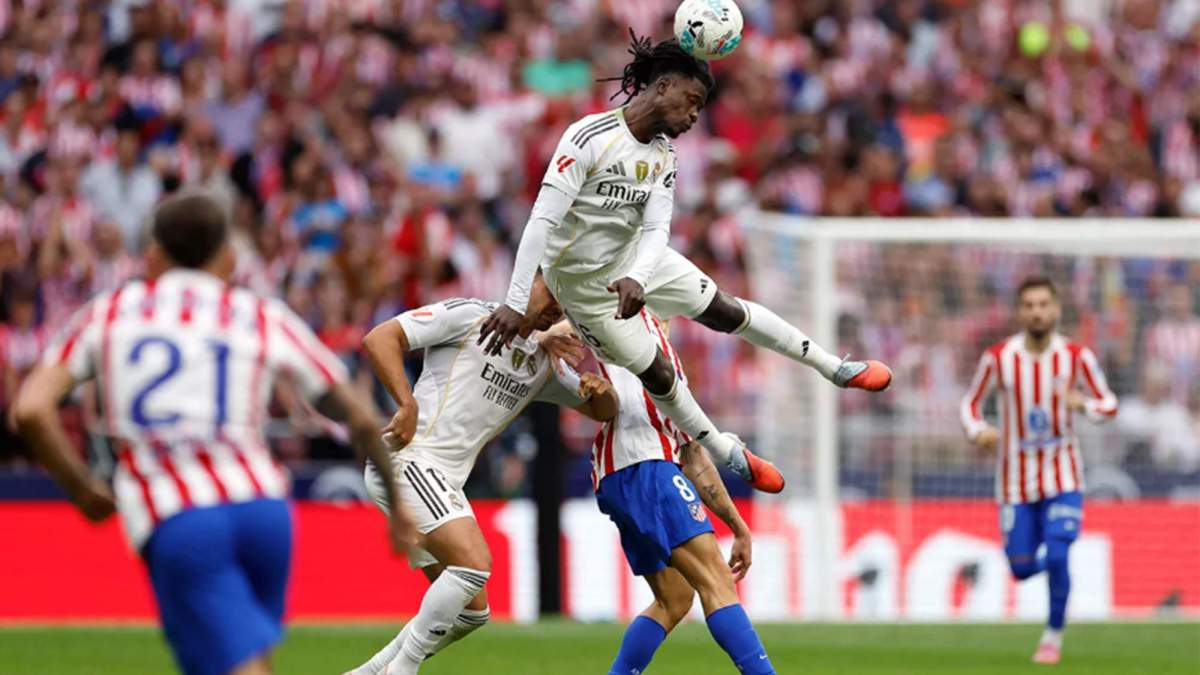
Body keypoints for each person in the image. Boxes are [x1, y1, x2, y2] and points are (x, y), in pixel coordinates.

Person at [13, 192, 413, 675]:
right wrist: (396, 511)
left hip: (181, 517)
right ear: (227, 260)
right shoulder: (257, 312)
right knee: (243, 660)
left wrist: (82, 489)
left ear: (152, 256)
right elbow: (362, 417)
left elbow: (32, 409)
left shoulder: (113, 312)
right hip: (266, 513)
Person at [478, 33, 891, 494]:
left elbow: (657, 229)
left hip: (636, 255)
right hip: (581, 286)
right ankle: (725, 450)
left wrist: (637, 273)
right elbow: (541, 221)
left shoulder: (664, 156)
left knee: (725, 309)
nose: (695, 116)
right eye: (691, 101)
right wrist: (515, 301)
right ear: (663, 87)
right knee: (657, 372)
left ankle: (834, 367)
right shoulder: (588, 137)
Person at [349, 274, 620, 675]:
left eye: (563, 304)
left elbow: (603, 411)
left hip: (441, 481)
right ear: (526, 280)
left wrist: (602, 390)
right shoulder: (470, 316)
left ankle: (369, 671)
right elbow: (380, 339)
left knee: (473, 612)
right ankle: (401, 670)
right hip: (411, 460)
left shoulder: (542, 364)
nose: (556, 307)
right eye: (550, 292)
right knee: (474, 565)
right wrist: (406, 404)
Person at [594, 315, 773, 675]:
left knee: (674, 598)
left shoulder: (670, 365)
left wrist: (738, 527)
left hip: (624, 474)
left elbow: (694, 457)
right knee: (717, 580)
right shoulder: (630, 322)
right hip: (644, 464)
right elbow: (581, 311)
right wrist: (550, 333)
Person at [959, 276, 1118, 665]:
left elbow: (1109, 404)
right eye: (1029, 305)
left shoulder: (1077, 356)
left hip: (1064, 474)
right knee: (1021, 568)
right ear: (1019, 312)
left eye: (1043, 304)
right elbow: (970, 405)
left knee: (1060, 552)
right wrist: (978, 431)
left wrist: (1083, 405)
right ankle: (1047, 574)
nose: (1037, 311)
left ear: (1057, 309)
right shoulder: (998, 358)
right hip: (1014, 481)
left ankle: (1053, 637)